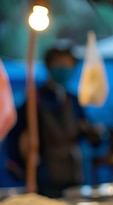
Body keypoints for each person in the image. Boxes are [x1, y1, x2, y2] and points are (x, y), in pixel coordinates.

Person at [6, 43, 101, 197]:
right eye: (60, 64)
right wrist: (17, 165)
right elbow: (15, 132)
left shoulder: (73, 100)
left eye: (68, 64)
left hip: (73, 172)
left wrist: (94, 134)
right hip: (44, 174)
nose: (64, 68)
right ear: (49, 66)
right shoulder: (34, 99)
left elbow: (85, 133)